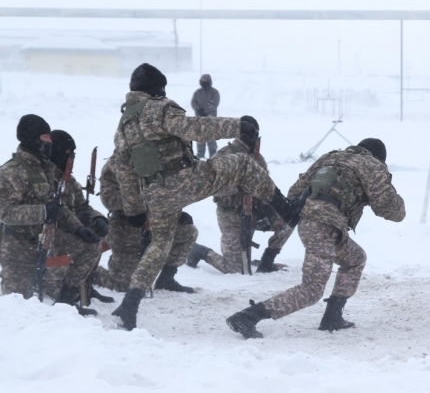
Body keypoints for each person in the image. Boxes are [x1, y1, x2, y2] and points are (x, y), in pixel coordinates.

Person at [110, 63, 304, 331]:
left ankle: (129, 305)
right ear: (158, 89)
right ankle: (287, 209)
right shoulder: (159, 107)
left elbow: (123, 168)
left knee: (160, 244)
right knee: (242, 163)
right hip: (184, 181)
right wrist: (239, 127)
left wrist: (135, 210)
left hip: (155, 193)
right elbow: (193, 129)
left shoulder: (124, 124)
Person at [226, 138, 405, 339]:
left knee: (355, 259)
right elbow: (391, 210)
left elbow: (295, 191)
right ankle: (248, 316)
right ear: (379, 157)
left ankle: (333, 317)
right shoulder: (372, 166)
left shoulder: (330, 157)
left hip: (314, 225)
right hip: (325, 228)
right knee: (311, 290)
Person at [0, 115, 101, 315]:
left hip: (47, 237)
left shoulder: (44, 168)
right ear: (32, 139)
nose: (49, 142)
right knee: (17, 307)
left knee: (90, 246)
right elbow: (5, 212)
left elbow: (57, 207)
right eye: (45, 137)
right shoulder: (12, 171)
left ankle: (63, 307)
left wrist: (78, 228)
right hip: (18, 245)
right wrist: (43, 212)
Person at [186, 117, 294, 274]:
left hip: (255, 213)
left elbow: (266, 186)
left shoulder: (258, 158)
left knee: (288, 221)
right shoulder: (224, 156)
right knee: (236, 270)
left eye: (254, 133)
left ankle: (267, 260)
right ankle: (200, 252)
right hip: (231, 217)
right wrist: (241, 186)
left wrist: (267, 206)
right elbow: (211, 188)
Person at [94, 152, 198, 294]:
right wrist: (136, 206)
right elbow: (109, 199)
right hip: (126, 227)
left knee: (188, 232)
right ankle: (92, 272)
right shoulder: (115, 164)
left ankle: (166, 279)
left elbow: (168, 191)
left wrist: (176, 213)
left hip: (155, 223)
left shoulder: (155, 160)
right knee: (124, 285)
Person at [44, 130, 114, 306]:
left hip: (71, 230)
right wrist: (77, 221)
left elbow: (83, 206)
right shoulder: (45, 179)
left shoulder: (69, 180)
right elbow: (50, 214)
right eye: (68, 153)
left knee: (100, 232)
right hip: (49, 235)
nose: (71, 159)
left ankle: (86, 284)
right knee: (88, 244)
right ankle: (66, 297)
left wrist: (98, 218)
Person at [191, 74, 220, 158]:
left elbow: (214, 103)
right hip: (199, 118)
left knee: (211, 136)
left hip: (210, 119)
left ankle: (213, 155)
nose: (204, 82)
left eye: (206, 80)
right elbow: (193, 102)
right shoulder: (198, 92)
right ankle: (200, 155)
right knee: (200, 136)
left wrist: (205, 111)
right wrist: (198, 109)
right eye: (203, 80)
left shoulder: (214, 92)